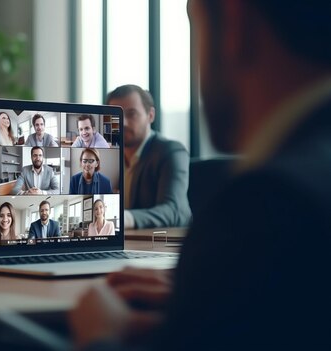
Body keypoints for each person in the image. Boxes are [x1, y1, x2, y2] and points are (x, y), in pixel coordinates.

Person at [70, 1, 331, 350]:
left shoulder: (270, 202)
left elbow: (174, 212)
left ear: (235, 24)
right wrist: (214, 290)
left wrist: (104, 333)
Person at [108, 84, 192, 229]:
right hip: (126, 245)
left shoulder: (171, 152)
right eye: (116, 116)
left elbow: (174, 211)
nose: (123, 122)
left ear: (150, 115)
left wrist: (122, 218)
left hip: (163, 247)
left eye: (131, 114)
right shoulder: (109, 157)